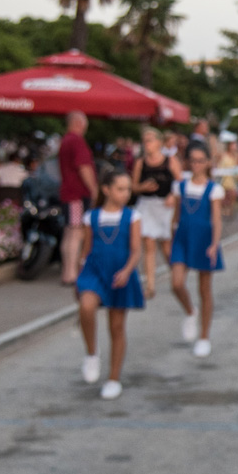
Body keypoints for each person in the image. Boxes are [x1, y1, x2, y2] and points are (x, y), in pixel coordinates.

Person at [76, 171, 144, 400]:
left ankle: (113, 378)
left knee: (116, 326)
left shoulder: (132, 216)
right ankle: (92, 353)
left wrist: (127, 270)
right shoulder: (91, 217)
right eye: (120, 189)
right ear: (106, 190)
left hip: (120, 272)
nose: (125, 194)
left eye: (128, 189)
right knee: (86, 307)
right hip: (94, 270)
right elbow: (86, 249)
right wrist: (79, 273)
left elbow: (136, 250)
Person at [170, 143, 224, 358]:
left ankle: (204, 336)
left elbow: (217, 219)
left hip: (204, 240)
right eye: (193, 160)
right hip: (182, 238)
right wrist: (170, 237)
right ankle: (191, 311)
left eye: (201, 160)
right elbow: (175, 215)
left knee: (204, 288)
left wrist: (214, 243)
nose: (197, 164)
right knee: (176, 283)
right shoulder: (180, 186)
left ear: (208, 163)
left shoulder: (214, 189)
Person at [131, 128, 183, 300]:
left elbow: (179, 182)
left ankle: (176, 276)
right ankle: (150, 285)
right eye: (145, 141)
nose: (147, 144)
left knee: (166, 245)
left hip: (164, 206)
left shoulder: (170, 161)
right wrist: (142, 187)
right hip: (147, 204)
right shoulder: (140, 163)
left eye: (150, 140)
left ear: (159, 142)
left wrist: (172, 196)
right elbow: (133, 186)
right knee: (148, 243)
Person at [58, 112, 99, 286]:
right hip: (76, 193)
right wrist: (94, 189)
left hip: (68, 191)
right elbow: (84, 167)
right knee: (75, 232)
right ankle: (70, 273)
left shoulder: (65, 141)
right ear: (79, 123)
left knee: (69, 232)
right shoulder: (76, 141)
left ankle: (68, 271)